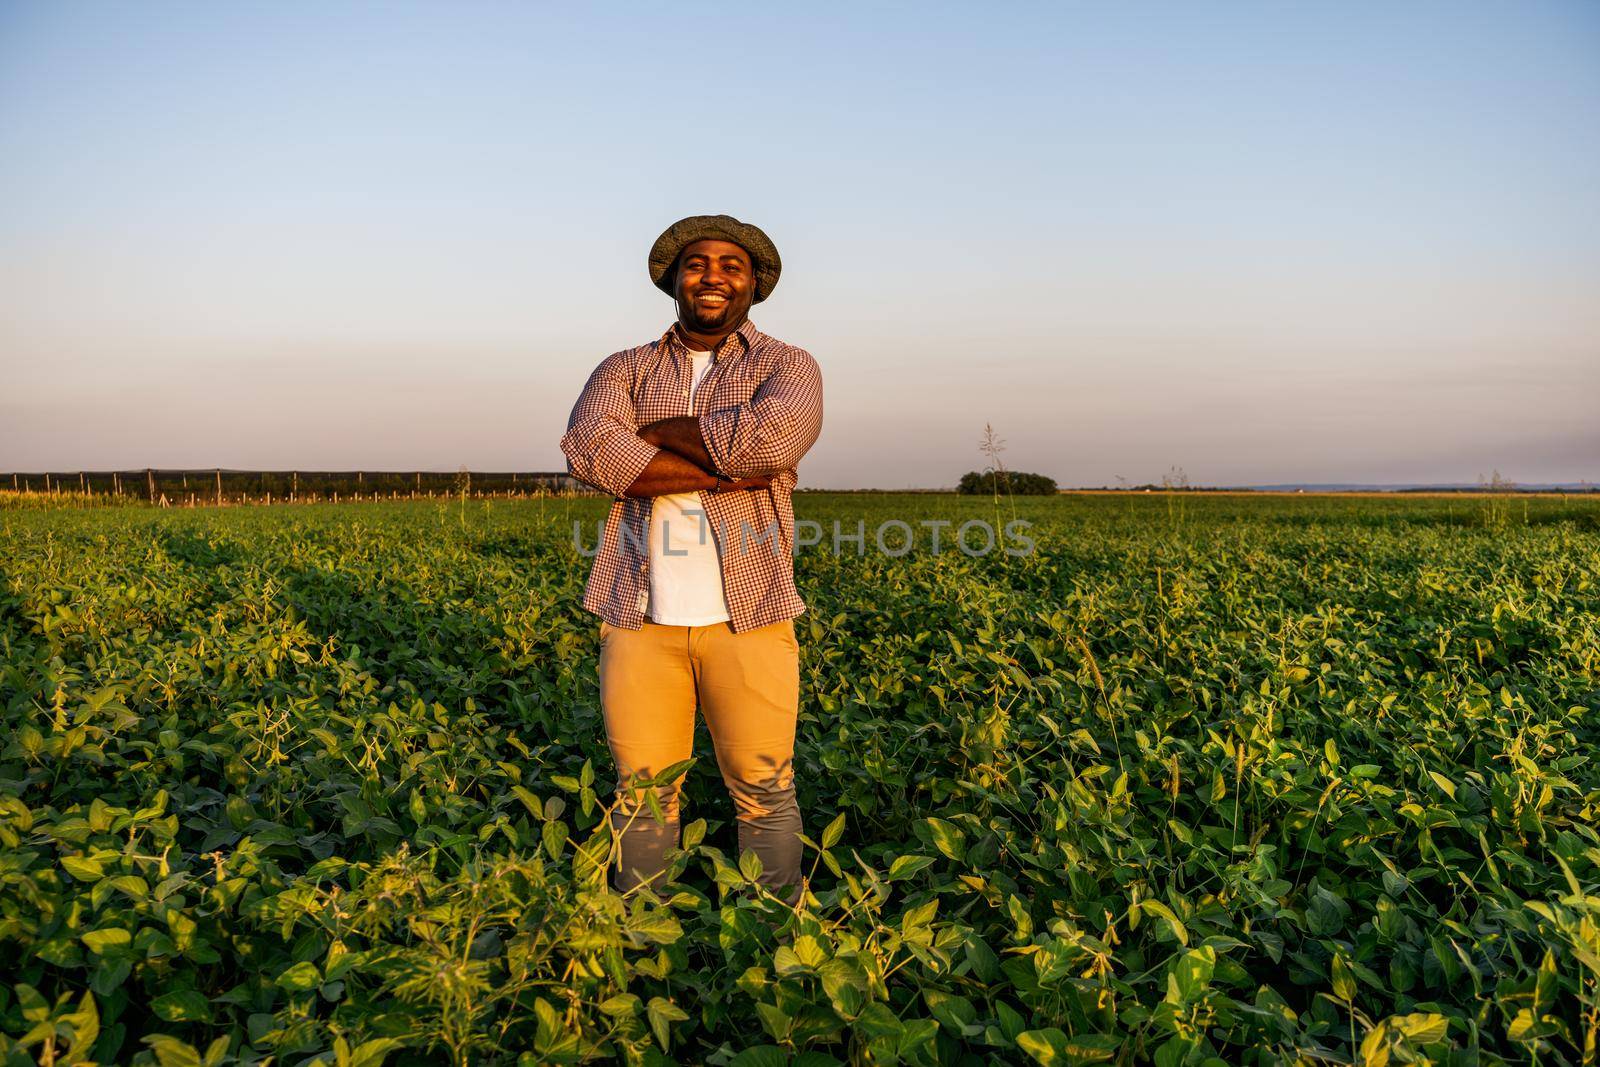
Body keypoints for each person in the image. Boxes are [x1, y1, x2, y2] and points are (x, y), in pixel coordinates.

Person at [559, 214, 823, 905]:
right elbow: (590, 450)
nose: (712, 276)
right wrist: (723, 465)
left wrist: (652, 440)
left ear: (754, 283)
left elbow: (773, 442)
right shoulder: (624, 367)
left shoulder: (787, 365)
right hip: (638, 618)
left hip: (752, 615)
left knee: (766, 790)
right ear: (674, 279)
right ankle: (645, 938)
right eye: (697, 263)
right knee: (643, 792)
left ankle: (774, 937)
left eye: (730, 265)